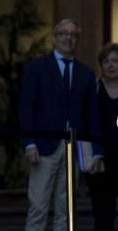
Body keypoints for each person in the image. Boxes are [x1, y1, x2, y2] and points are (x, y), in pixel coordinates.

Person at [19, 19, 103, 231]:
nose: (68, 38)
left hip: (74, 149)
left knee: (66, 210)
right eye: (64, 33)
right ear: (54, 38)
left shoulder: (86, 73)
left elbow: (92, 116)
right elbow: (27, 107)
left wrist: (96, 152)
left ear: (77, 40)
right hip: (43, 146)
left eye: (73, 35)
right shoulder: (36, 68)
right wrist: (29, 143)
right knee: (38, 206)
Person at [83, 42, 118, 230]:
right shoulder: (94, 89)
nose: (111, 65)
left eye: (115, 61)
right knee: (103, 211)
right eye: (106, 61)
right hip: (100, 157)